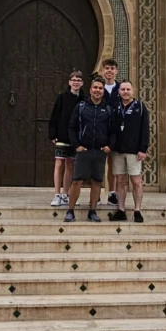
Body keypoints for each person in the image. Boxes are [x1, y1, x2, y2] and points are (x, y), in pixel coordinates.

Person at [65, 75, 114, 223]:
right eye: (95, 88)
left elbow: (113, 131)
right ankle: (70, 211)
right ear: (90, 89)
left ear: (103, 91)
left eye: (100, 88)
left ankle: (92, 211)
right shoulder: (81, 107)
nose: (98, 90)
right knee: (77, 181)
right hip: (83, 151)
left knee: (97, 182)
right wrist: (76, 145)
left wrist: (109, 146)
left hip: (99, 151)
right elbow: (72, 127)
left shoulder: (108, 109)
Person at [107, 80, 150, 223]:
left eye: (128, 89)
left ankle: (137, 210)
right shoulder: (115, 107)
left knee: (136, 181)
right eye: (123, 89)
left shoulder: (140, 107)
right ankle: (121, 210)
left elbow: (145, 129)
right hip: (118, 151)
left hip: (134, 151)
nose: (125, 92)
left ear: (133, 91)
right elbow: (111, 128)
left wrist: (143, 149)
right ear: (119, 92)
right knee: (120, 181)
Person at [47, 70, 85, 206]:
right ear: (69, 82)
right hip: (62, 135)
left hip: (76, 138)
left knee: (70, 164)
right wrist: (53, 134)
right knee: (59, 163)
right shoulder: (62, 97)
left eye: (78, 80)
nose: (76, 83)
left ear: (82, 83)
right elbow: (55, 116)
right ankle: (57, 194)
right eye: (74, 80)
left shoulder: (84, 99)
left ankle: (65, 194)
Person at [99, 59, 121, 206]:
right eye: (107, 68)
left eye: (112, 68)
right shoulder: (98, 87)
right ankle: (96, 194)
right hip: (100, 131)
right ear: (102, 71)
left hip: (116, 132)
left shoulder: (121, 89)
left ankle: (113, 193)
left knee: (114, 164)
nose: (109, 71)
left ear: (116, 71)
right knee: (98, 163)